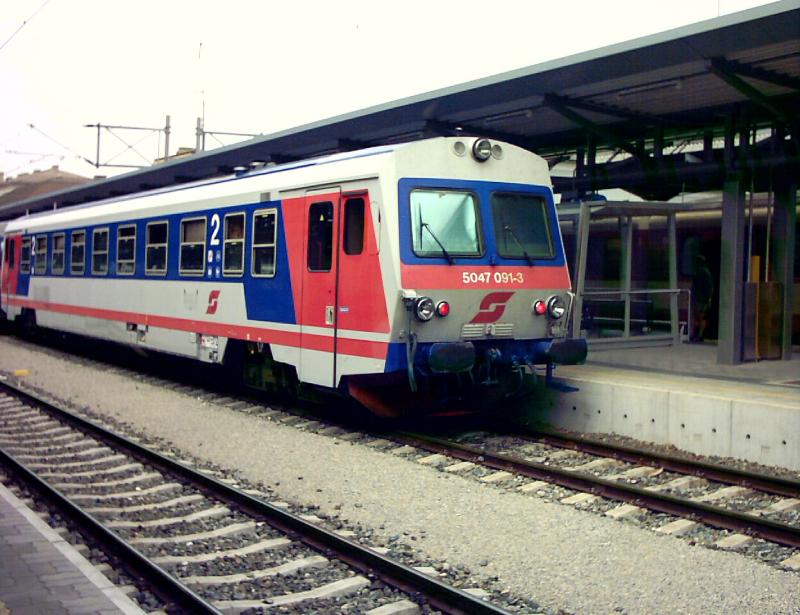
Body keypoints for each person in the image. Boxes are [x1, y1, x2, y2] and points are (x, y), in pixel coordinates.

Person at [691, 254, 713, 342]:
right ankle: (698, 335)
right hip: (701, 298)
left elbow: (708, 287)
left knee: (700, 317)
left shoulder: (702, 272)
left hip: (701, 299)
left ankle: (699, 335)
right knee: (699, 317)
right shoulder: (704, 272)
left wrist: (708, 299)